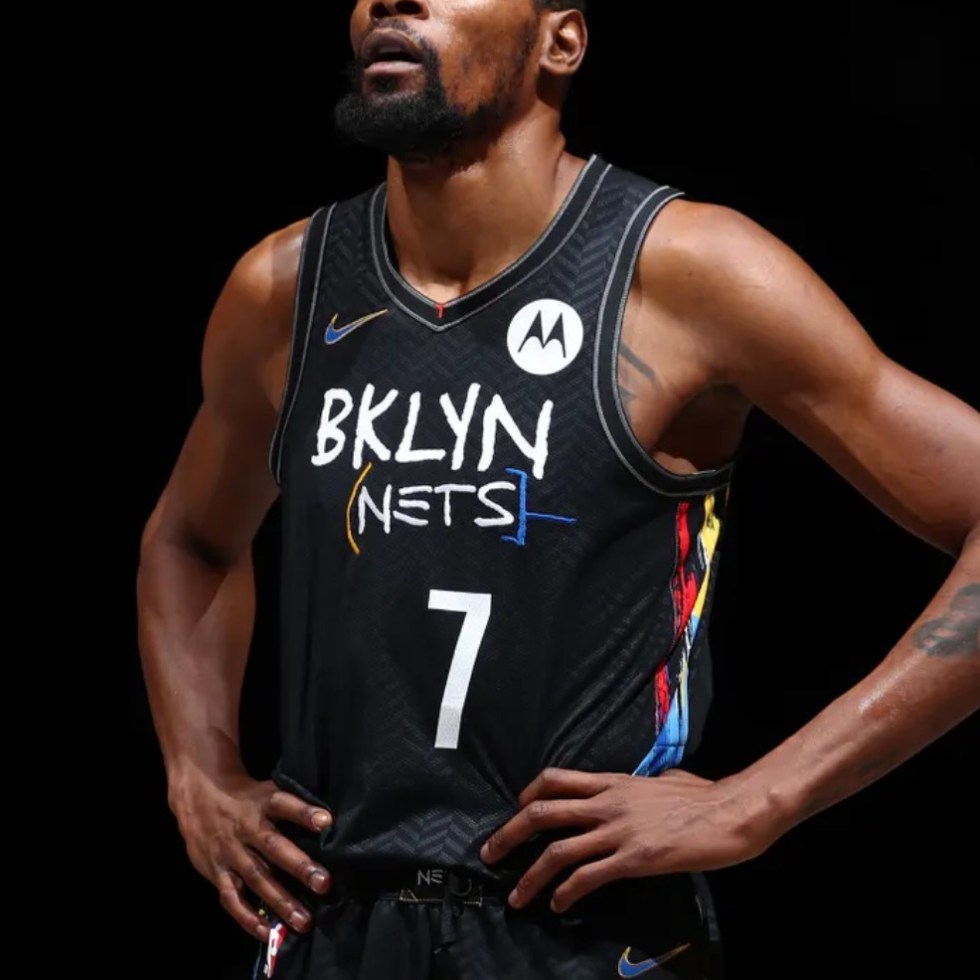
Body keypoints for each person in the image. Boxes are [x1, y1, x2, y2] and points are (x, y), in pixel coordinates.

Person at [136, 1, 980, 977]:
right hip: (333, 921)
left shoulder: (684, 270)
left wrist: (763, 797)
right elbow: (189, 542)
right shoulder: (283, 288)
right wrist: (197, 769)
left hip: (582, 930)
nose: (392, 1)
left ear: (560, 42)